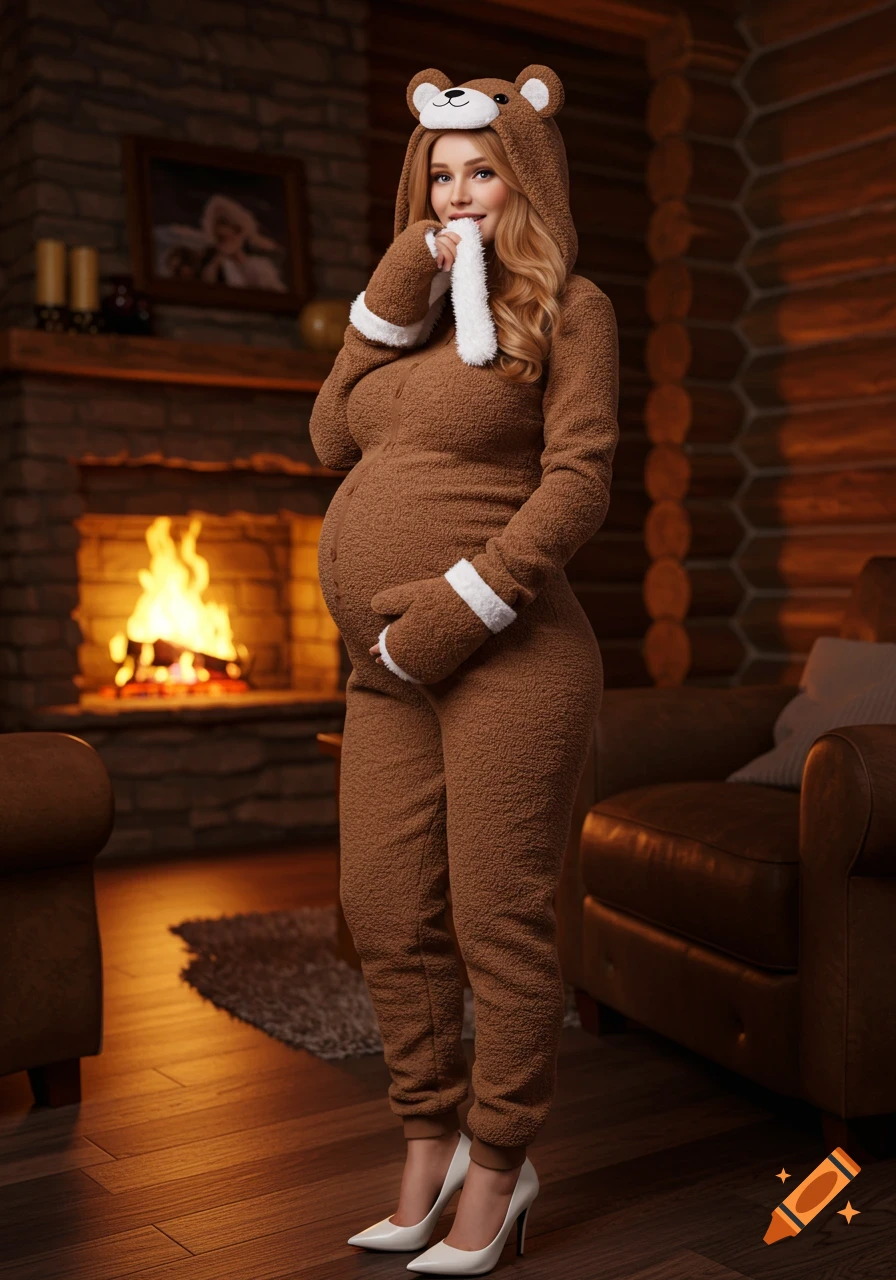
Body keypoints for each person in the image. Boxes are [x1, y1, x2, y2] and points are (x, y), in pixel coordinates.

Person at [309, 63, 619, 1276]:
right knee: (387, 913)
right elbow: (329, 433)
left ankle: (500, 1163)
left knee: (494, 918)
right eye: (437, 177)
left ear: (523, 176)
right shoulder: (416, 314)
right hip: (384, 666)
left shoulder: (571, 308)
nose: (456, 195)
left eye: (479, 169)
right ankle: (424, 1142)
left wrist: (461, 602)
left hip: (507, 653)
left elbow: (579, 483)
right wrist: (391, 290)